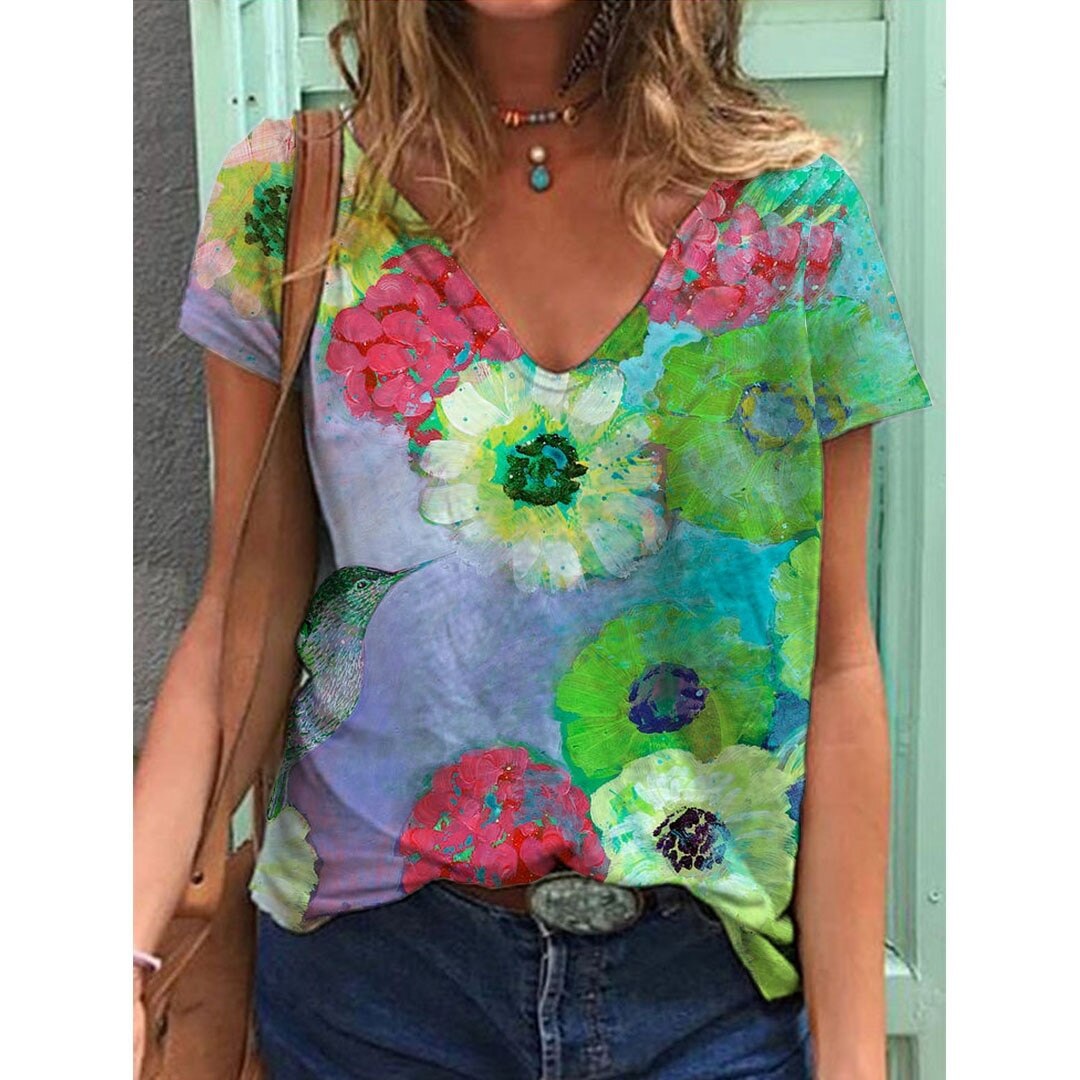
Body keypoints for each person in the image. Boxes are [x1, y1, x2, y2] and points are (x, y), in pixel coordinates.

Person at [134, 1, 933, 1077]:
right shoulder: (295, 202)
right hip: (374, 996)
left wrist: (856, 1060)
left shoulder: (794, 223)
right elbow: (241, 617)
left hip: (706, 1003)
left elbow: (837, 666)